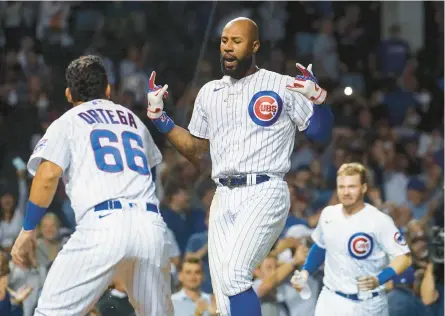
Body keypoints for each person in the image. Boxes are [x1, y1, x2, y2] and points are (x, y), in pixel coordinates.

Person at [146, 17, 333, 316]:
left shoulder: (282, 85)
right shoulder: (209, 92)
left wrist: (318, 98)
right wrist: (159, 118)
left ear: (255, 45)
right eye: (224, 41)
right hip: (223, 195)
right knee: (223, 296)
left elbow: (321, 134)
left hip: (265, 189)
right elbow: (195, 150)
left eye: (237, 41)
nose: (228, 48)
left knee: (235, 276)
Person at [10, 55, 173, 316]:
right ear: (108, 90)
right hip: (150, 228)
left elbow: (48, 175)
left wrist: (28, 230)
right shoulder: (133, 119)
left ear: (68, 93)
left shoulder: (69, 120)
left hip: (103, 226)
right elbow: (150, 171)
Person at [292, 162, 412, 316]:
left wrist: (380, 279)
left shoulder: (379, 220)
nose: (346, 192)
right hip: (331, 299)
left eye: (351, 187)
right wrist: (305, 272)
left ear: (363, 188)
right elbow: (321, 246)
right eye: (341, 187)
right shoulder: (328, 214)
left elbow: (404, 257)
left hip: (368, 303)